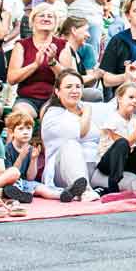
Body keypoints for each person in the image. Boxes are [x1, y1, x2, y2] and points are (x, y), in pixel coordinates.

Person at [37, 70, 99, 202]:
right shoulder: (52, 114)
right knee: (71, 145)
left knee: (128, 181)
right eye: (69, 87)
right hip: (62, 172)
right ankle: (85, 191)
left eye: (78, 86)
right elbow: (81, 132)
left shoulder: (83, 107)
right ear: (57, 91)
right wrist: (87, 113)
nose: (74, 90)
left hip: (93, 166)